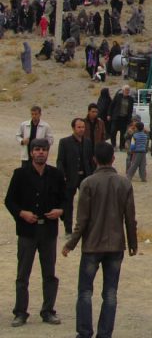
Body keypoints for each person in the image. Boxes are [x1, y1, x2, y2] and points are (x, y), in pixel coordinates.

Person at [62, 141, 137, 338]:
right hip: (116, 246)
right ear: (113, 158)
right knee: (110, 294)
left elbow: (82, 221)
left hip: (92, 246)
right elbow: (130, 219)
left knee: (85, 292)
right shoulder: (124, 183)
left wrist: (71, 244)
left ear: (94, 160)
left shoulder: (87, 183)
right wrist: (133, 243)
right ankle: (105, 334)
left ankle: (84, 333)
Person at [5, 138, 66, 327]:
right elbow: (9, 200)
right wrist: (21, 213)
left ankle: (48, 311)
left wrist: (60, 211)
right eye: (37, 149)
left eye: (44, 149)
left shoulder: (56, 175)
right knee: (23, 274)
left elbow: (65, 199)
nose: (40, 152)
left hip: (48, 231)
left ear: (48, 152)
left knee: (49, 274)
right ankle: (20, 312)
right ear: (31, 152)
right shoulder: (20, 174)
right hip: (27, 231)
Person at [56, 118, 94, 235]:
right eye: (79, 127)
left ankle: (85, 228)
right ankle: (68, 230)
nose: (81, 129)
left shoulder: (88, 142)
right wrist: (63, 176)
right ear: (73, 128)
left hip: (85, 177)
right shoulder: (65, 142)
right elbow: (60, 161)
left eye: (83, 127)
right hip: (70, 177)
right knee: (68, 204)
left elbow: (90, 160)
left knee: (86, 203)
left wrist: (92, 174)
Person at [107, 85, 134, 150]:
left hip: (124, 118)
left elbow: (130, 110)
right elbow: (111, 105)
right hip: (116, 117)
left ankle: (122, 146)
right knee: (113, 131)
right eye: (126, 90)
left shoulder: (131, 99)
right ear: (123, 90)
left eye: (128, 90)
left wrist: (129, 119)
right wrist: (109, 114)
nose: (127, 91)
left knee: (123, 133)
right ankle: (113, 145)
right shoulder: (118, 96)